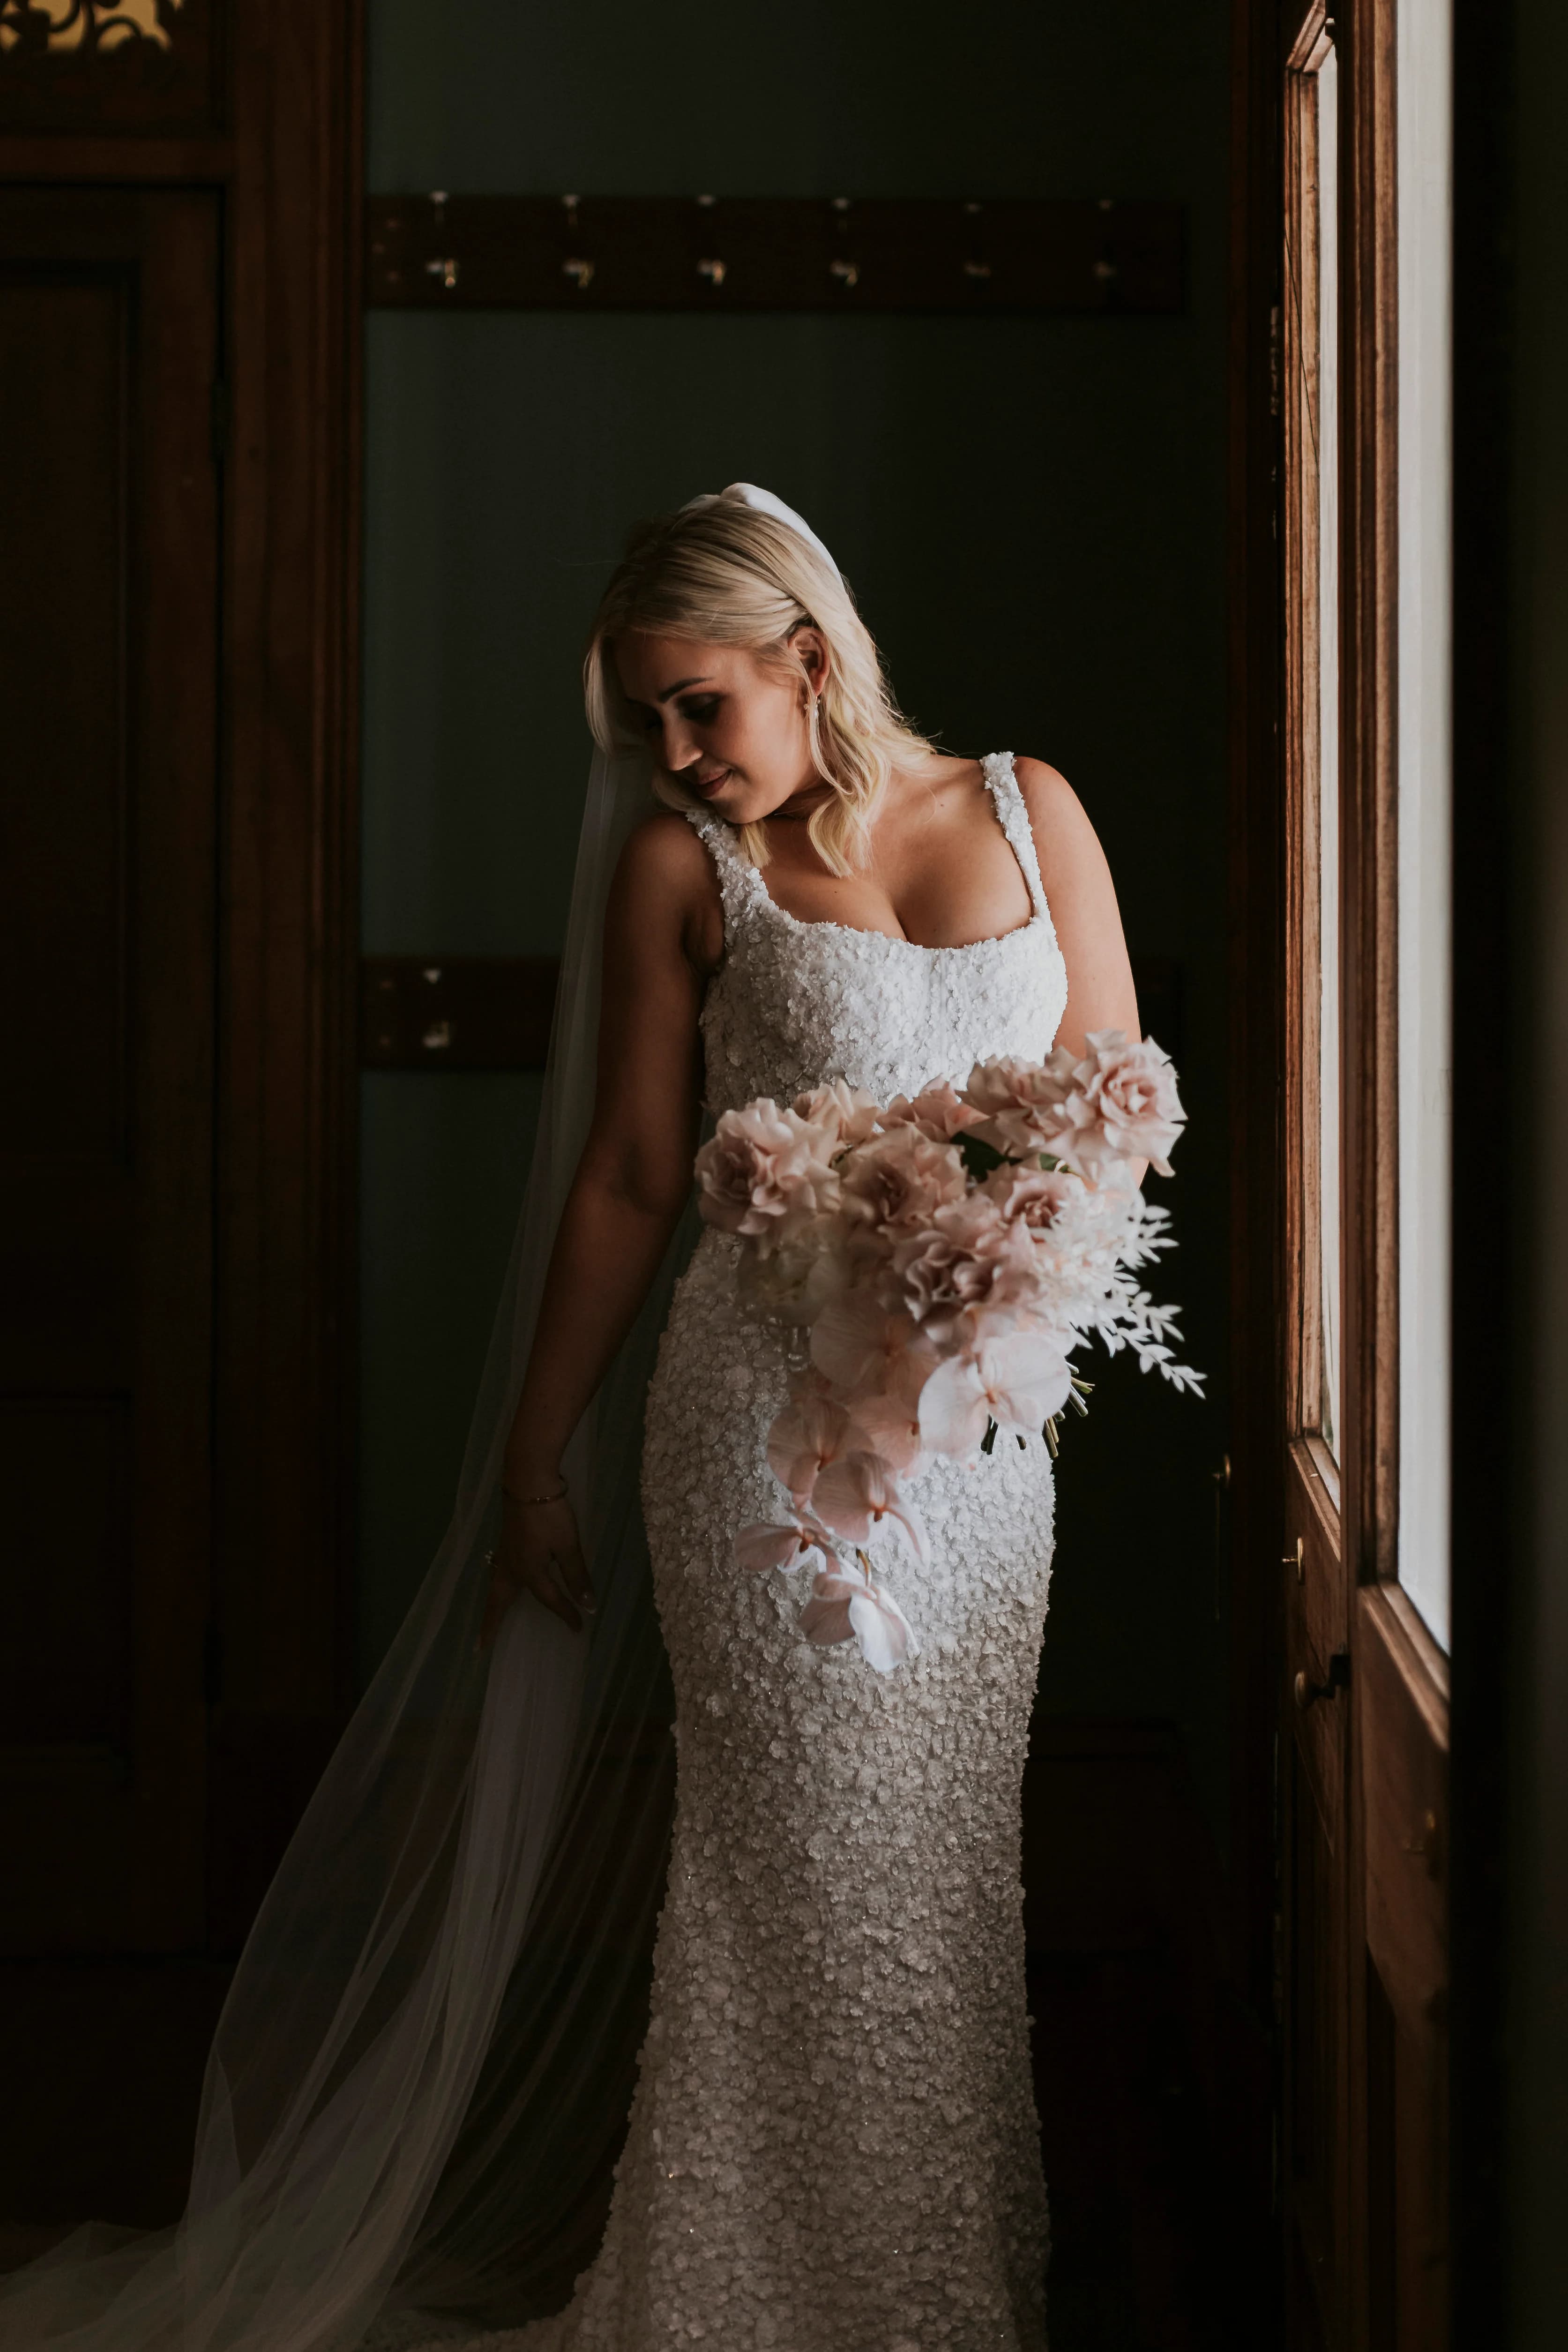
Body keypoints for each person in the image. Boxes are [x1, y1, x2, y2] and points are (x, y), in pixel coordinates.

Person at [0, 488, 1138, 2352]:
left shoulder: (1032, 805)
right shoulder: (689, 870)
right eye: (649, 730)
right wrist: (537, 1446)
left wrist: (1026, 1282)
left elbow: (1113, 1098)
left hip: (986, 1453)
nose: (679, 759)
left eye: (698, 706)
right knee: (797, 1864)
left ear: (806, 652)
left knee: (941, 1860)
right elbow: (626, 1173)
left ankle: (933, 2293)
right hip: (762, 1443)